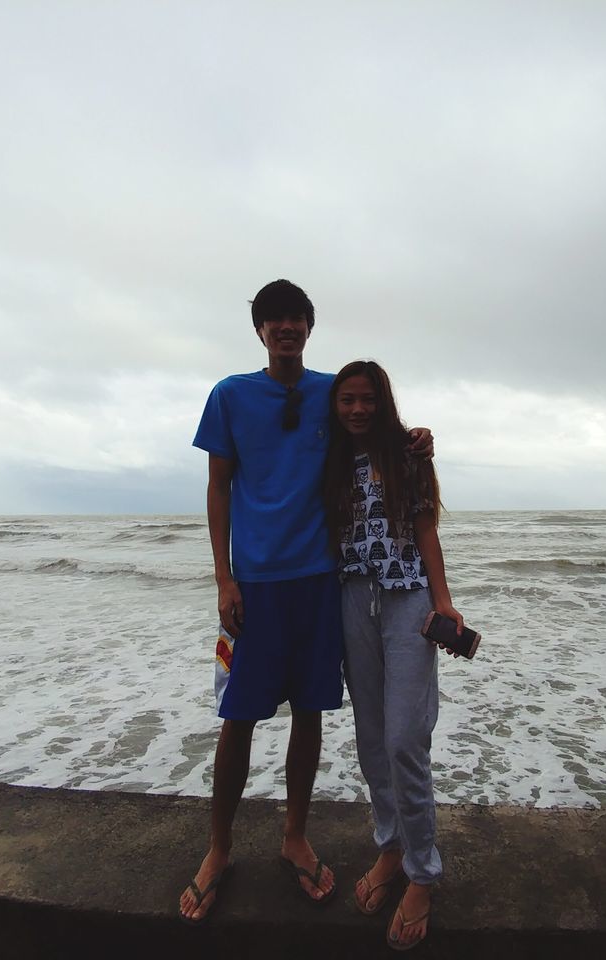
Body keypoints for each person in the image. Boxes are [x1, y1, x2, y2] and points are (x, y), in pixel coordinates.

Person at [180, 282, 432, 925]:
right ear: (260, 330)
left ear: (309, 327)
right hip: (256, 585)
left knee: (311, 713)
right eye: (274, 320)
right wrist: (223, 578)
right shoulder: (230, 395)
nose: (285, 328)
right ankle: (218, 849)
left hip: (323, 580)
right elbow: (217, 488)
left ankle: (295, 835)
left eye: (295, 319)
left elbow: (373, 421)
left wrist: (417, 439)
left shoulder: (330, 390)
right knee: (237, 716)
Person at [322, 359, 462, 951]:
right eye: (347, 400)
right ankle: (390, 848)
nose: (357, 409)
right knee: (372, 736)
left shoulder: (409, 454)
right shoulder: (327, 460)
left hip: (408, 599)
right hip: (352, 598)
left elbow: (426, 528)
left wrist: (446, 602)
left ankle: (423, 874)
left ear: (384, 402)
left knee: (406, 737)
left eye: (367, 400)